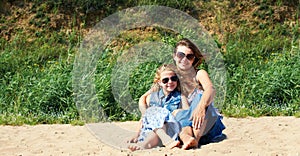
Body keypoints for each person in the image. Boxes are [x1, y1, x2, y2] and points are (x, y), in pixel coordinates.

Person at [139, 38, 225, 150]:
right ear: (174, 56)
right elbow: (144, 98)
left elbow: (210, 89)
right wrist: (144, 114)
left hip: (204, 123)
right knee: (177, 114)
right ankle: (188, 139)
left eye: (189, 56)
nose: (184, 59)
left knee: (200, 98)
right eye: (181, 55)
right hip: (183, 125)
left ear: (194, 59)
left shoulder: (199, 74)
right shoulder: (170, 76)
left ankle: (195, 140)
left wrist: (201, 107)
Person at [127, 64, 189, 151]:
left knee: (159, 113)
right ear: (159, 82)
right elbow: (144, 118)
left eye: (173, 78)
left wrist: (178, 111)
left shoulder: (181, 97)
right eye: (165, 80)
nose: (170, 82)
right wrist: (137, 134)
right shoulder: (152, 98)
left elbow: (187, 113)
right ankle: (144, 144)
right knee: (154, 114)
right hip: (153, 132)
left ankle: (162, 139)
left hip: (170, 130)